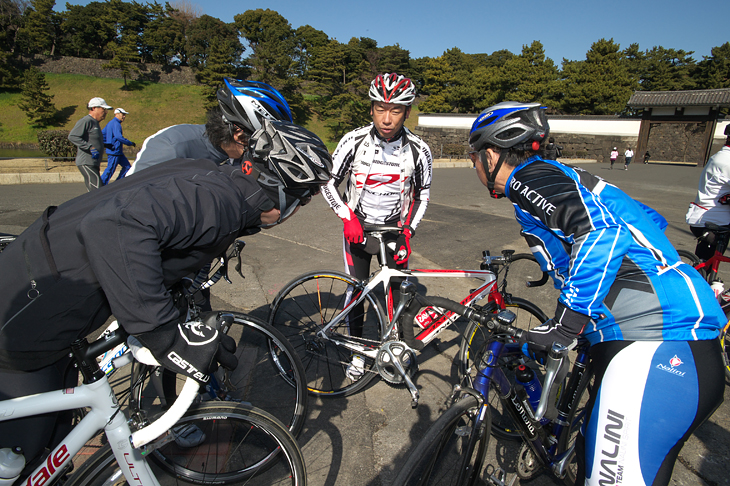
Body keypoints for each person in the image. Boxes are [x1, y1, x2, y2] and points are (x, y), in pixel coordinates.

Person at [0, 120, 332, 471]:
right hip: (29, 317)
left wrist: (179, 312)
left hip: (42, 293)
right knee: (23, 461)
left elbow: (162, 241)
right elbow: (113, 226)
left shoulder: (212, 176)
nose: (298, 208)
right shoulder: (220, 201)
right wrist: (164, 333)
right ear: (283, 192)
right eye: (304, 198)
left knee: (55, 446)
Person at [467, 101, 724, 486]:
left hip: (657, 343)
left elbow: (603, 233)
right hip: (655, 340)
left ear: (490, 154)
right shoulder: (566, 175)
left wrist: (568, 323)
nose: (473, 166)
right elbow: (647, 219)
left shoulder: (528, 178)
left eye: (473, 157)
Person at [320, 73, 433, 380]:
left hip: (396, 231)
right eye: (380, 108)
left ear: (407, 112)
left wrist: (409, 230)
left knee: (395, 294)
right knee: (356, 292)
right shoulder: (353, 140)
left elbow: (423, 195)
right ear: (370, 109)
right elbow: (328, 183)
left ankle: (394, 347)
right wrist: (347, 217)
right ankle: (358, 351)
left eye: (395, 110)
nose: (387, 118)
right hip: (358, 228)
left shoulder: (418, 150)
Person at [127, 78, 293, 176]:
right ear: (239, 135)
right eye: (265, 140)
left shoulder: (242, 156)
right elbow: (126, 204)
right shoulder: (172, 146)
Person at [686, 124, 730, 260]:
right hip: (715, 220)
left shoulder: (721, 157)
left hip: (708, 216)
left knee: (705, 263)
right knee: (705, 264)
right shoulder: (726, 161)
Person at [68, 97, 111, 191]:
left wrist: (105, 145)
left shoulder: (95, 123)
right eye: (103, 109)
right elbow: (73, 136)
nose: (106, 112)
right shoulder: (86, 121)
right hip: (86, 162)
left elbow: (92, 140)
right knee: (98, 191)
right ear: (93, 108)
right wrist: (89, 147)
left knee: (94, 191)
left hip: (94, 162)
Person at [101, 107, 135, 185]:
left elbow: (102, 133)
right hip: (114, 151)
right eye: (122, 114)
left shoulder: (111, 123)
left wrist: (105, 143)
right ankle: (101, 185)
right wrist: (130, 143)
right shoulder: (115, 123)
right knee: (110, 169)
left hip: (117, 151)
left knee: (127, 167)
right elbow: (118, 137)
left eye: (124, 115)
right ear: (117, 114)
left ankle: (117, 184)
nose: (124, 116)